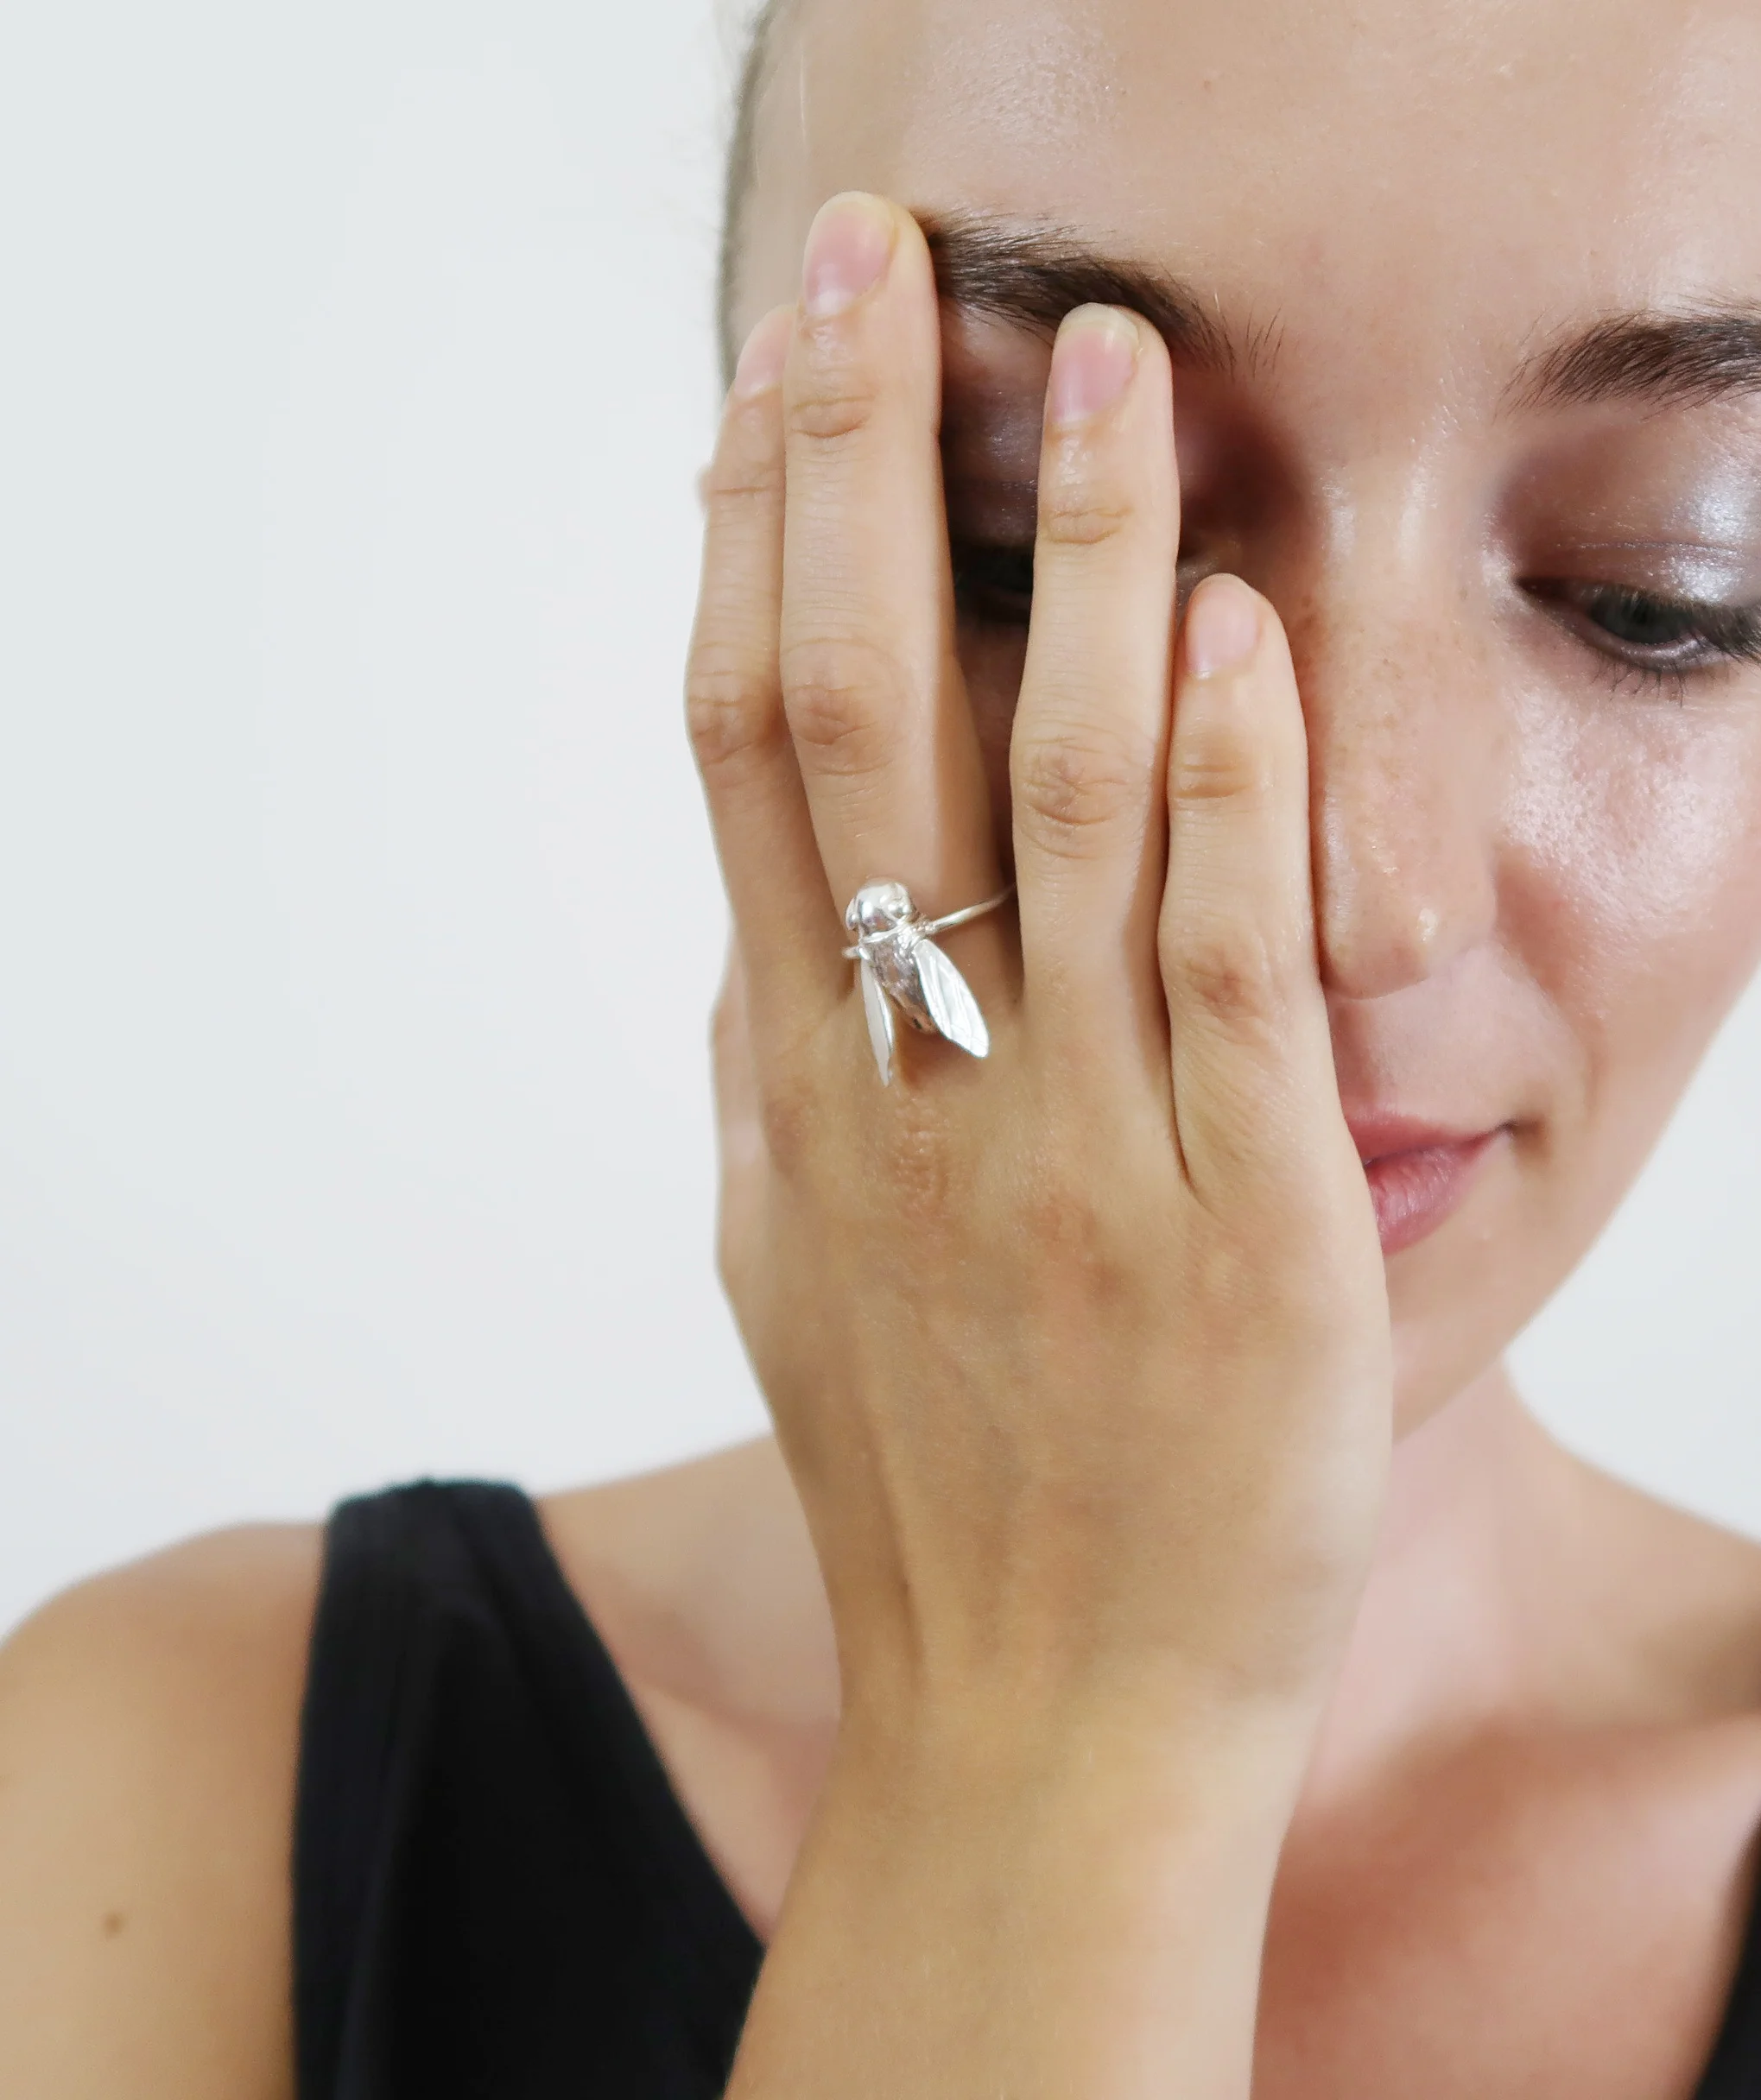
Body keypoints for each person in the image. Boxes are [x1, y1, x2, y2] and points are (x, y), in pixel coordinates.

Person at [5, 0, 1761, 2091]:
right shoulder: (168, 1796)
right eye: (1028, 539)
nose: (1358, 895)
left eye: (1659, 591)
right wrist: (1052, 1750)